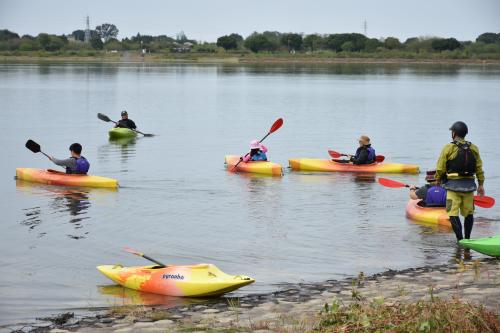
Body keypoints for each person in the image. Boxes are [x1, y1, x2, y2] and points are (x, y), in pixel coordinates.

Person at [435, 121, 485, 241]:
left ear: (454, 133)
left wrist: (438, 179)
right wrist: (481, 184)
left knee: (452, 213)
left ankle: (460, 240)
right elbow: (479, 168)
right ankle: (467, 239)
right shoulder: (474, 148)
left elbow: (440, 167)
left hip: (453, 187)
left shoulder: (448, 147)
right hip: (469, 187)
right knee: (469, 213)